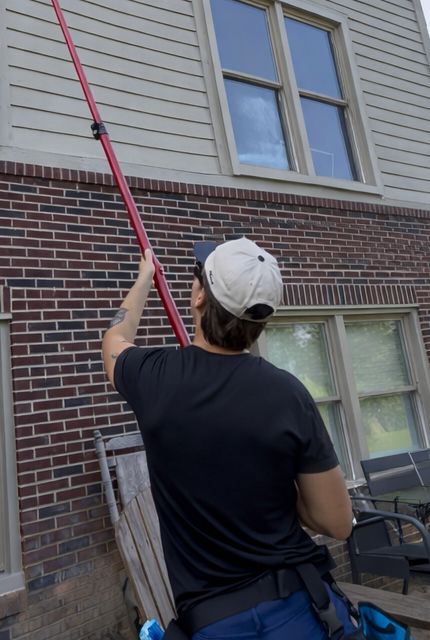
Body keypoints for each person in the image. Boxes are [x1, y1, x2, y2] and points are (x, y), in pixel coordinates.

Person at [103, 238, 359, 639]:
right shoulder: (289, 394)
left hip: (217, 624)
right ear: (259, 320)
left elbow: (114, 342)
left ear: (201, 295)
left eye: (196, 278)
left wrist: (144, 280)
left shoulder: (156, 378)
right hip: (305, 611)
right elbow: (336, 521)